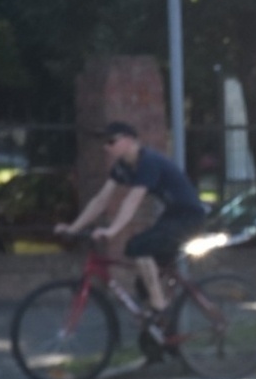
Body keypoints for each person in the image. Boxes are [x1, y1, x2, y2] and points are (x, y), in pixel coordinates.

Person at [56, 121, 207, 338]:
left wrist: (112, 231)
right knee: (142, 282)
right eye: (104, 143)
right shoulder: (122, 167)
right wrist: (73, 227)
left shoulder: (148, 162)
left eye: (111, 141)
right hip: (172, 216)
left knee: (138, 246)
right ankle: (160, 338)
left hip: (189, 218)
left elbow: (132, 200)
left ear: (129, 141)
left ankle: (160, 308)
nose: (106, 147)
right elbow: (100, 200)